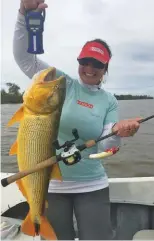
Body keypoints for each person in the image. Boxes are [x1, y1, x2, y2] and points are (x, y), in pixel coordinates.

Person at [13, 1, 141, 240]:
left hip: (92, 185)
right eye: (85, 62)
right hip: (50, 185)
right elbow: (25, 59)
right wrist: (23, 15)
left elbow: (106, 146)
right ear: (79, 61)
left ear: (105, 68)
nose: (90, 68)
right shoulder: (60, 83)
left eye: (97, 64)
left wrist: (117, 132)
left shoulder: (110, 101)